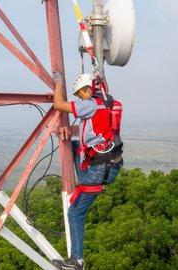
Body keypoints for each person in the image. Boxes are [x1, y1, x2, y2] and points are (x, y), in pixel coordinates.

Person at [51, 72, 124, 270]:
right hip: (109, 163)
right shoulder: (107, 101)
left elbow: (59, 105)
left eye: (81, 93)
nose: (80, 97)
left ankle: (77, 260)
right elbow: (103, 88)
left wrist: (58, 83)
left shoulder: (90, 103)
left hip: (99, 169)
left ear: (88, 89)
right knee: (75, 146)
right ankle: (82, 184)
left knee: (74, 212)